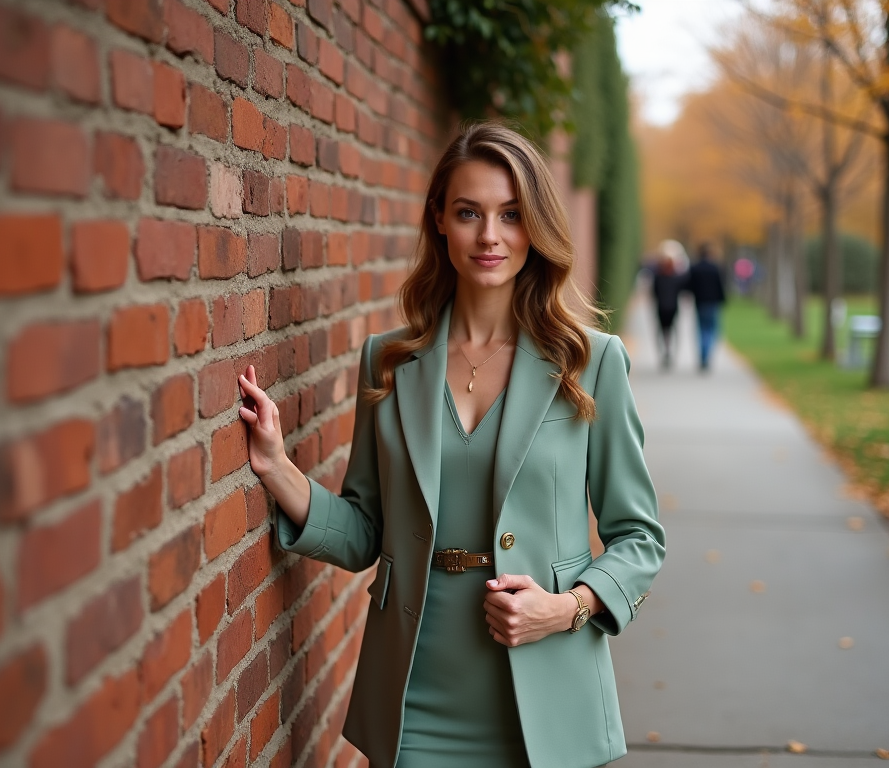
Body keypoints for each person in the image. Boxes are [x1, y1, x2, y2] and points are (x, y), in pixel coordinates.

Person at [236, 122, 665, 768]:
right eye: (469, 213)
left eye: (511, 215)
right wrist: (275, 466)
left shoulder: (590, 362)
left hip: (545, 695)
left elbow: (640, 538)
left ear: (536, 227)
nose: (490, 236)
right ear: (440, 219)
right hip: (417, 690)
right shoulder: (388, 362)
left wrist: (566, 608)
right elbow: (362, 532)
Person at [687, 242, 727, 371]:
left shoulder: (695, 268)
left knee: (701, 330)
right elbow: (720, 286)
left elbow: (690, 286)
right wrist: (723, 300)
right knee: (711, 330)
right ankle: (706, 356)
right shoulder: (716, 268)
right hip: (713, 303)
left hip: (700, 303)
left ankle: (703, 356)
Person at [650, 242, 687, 369]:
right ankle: (670, 353)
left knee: (662, 331)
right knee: (672, 331)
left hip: (661, 308)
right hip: (672, 308)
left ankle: (664, 353)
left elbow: (653, 293)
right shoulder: (676, 277)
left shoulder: (658, 276)